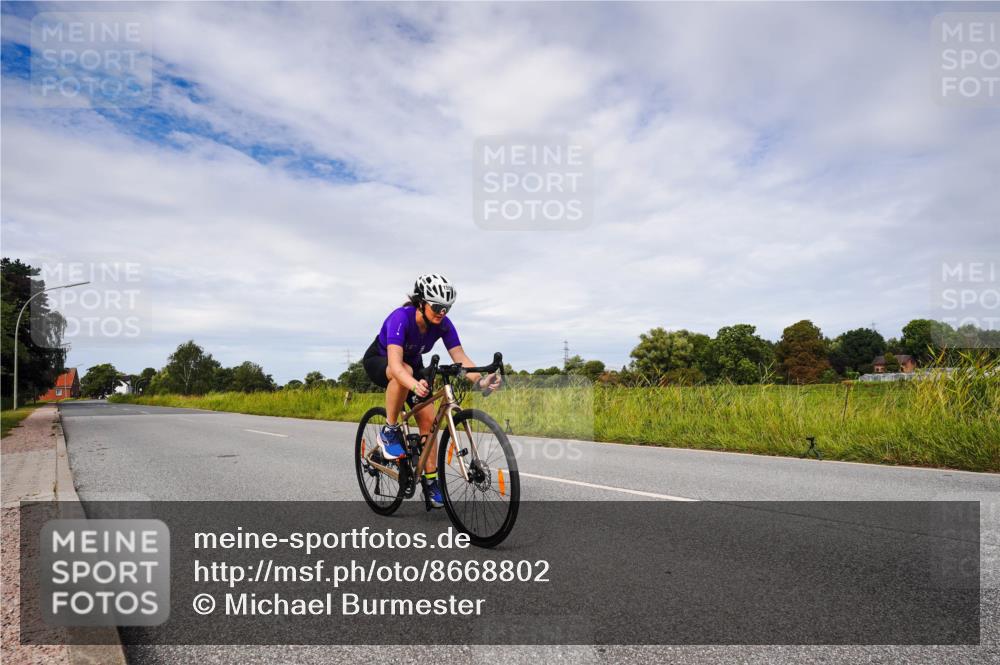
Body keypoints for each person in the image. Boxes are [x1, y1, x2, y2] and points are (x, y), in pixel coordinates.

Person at [362, 274, 501, 507]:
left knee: (428, 419)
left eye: (447, 307)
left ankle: (430, 482)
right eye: (437, 306)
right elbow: (396, 367)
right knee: (403, 370)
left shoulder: (443, 324)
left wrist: (481, 381)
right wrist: (414, 383)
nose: (442, 312)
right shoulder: (400, 319)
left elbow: (461, 359)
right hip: (382, 360)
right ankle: (389, 429)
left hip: (412, 366)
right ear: (421, 302)